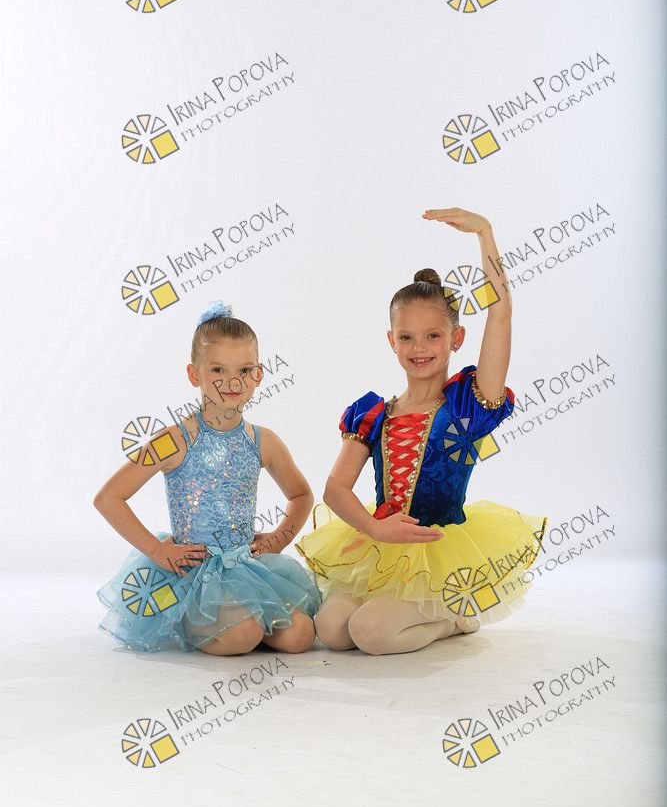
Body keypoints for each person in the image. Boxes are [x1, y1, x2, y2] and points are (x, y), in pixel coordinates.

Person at [296, 206, 547, 656]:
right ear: (391, 341)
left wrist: (485, 234)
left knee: (370, 633)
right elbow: (335, 489)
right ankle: (399, 606)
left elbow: (501, 314)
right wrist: (374, 529)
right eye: (407, 337)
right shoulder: (373, 413)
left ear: (456, 338)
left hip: (439, 548)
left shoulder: (467, 406)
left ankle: (453, 616)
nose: (419, 348)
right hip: (378, 542)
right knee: (331, 631)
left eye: (433, 336)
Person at [94, 301, 321, 655]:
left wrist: (278, 538)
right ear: (194, 374)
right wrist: (157, 550)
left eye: (244, 370)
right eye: (217, 369)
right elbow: (109, 498)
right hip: (193, 574)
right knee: (243, 635)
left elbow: (301, 495)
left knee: (301, 636)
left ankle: (245, 620)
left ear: (258, 375)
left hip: (245, 566)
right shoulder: (175, 439)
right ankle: (188, 617)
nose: (232, 381)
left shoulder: (263, 441)